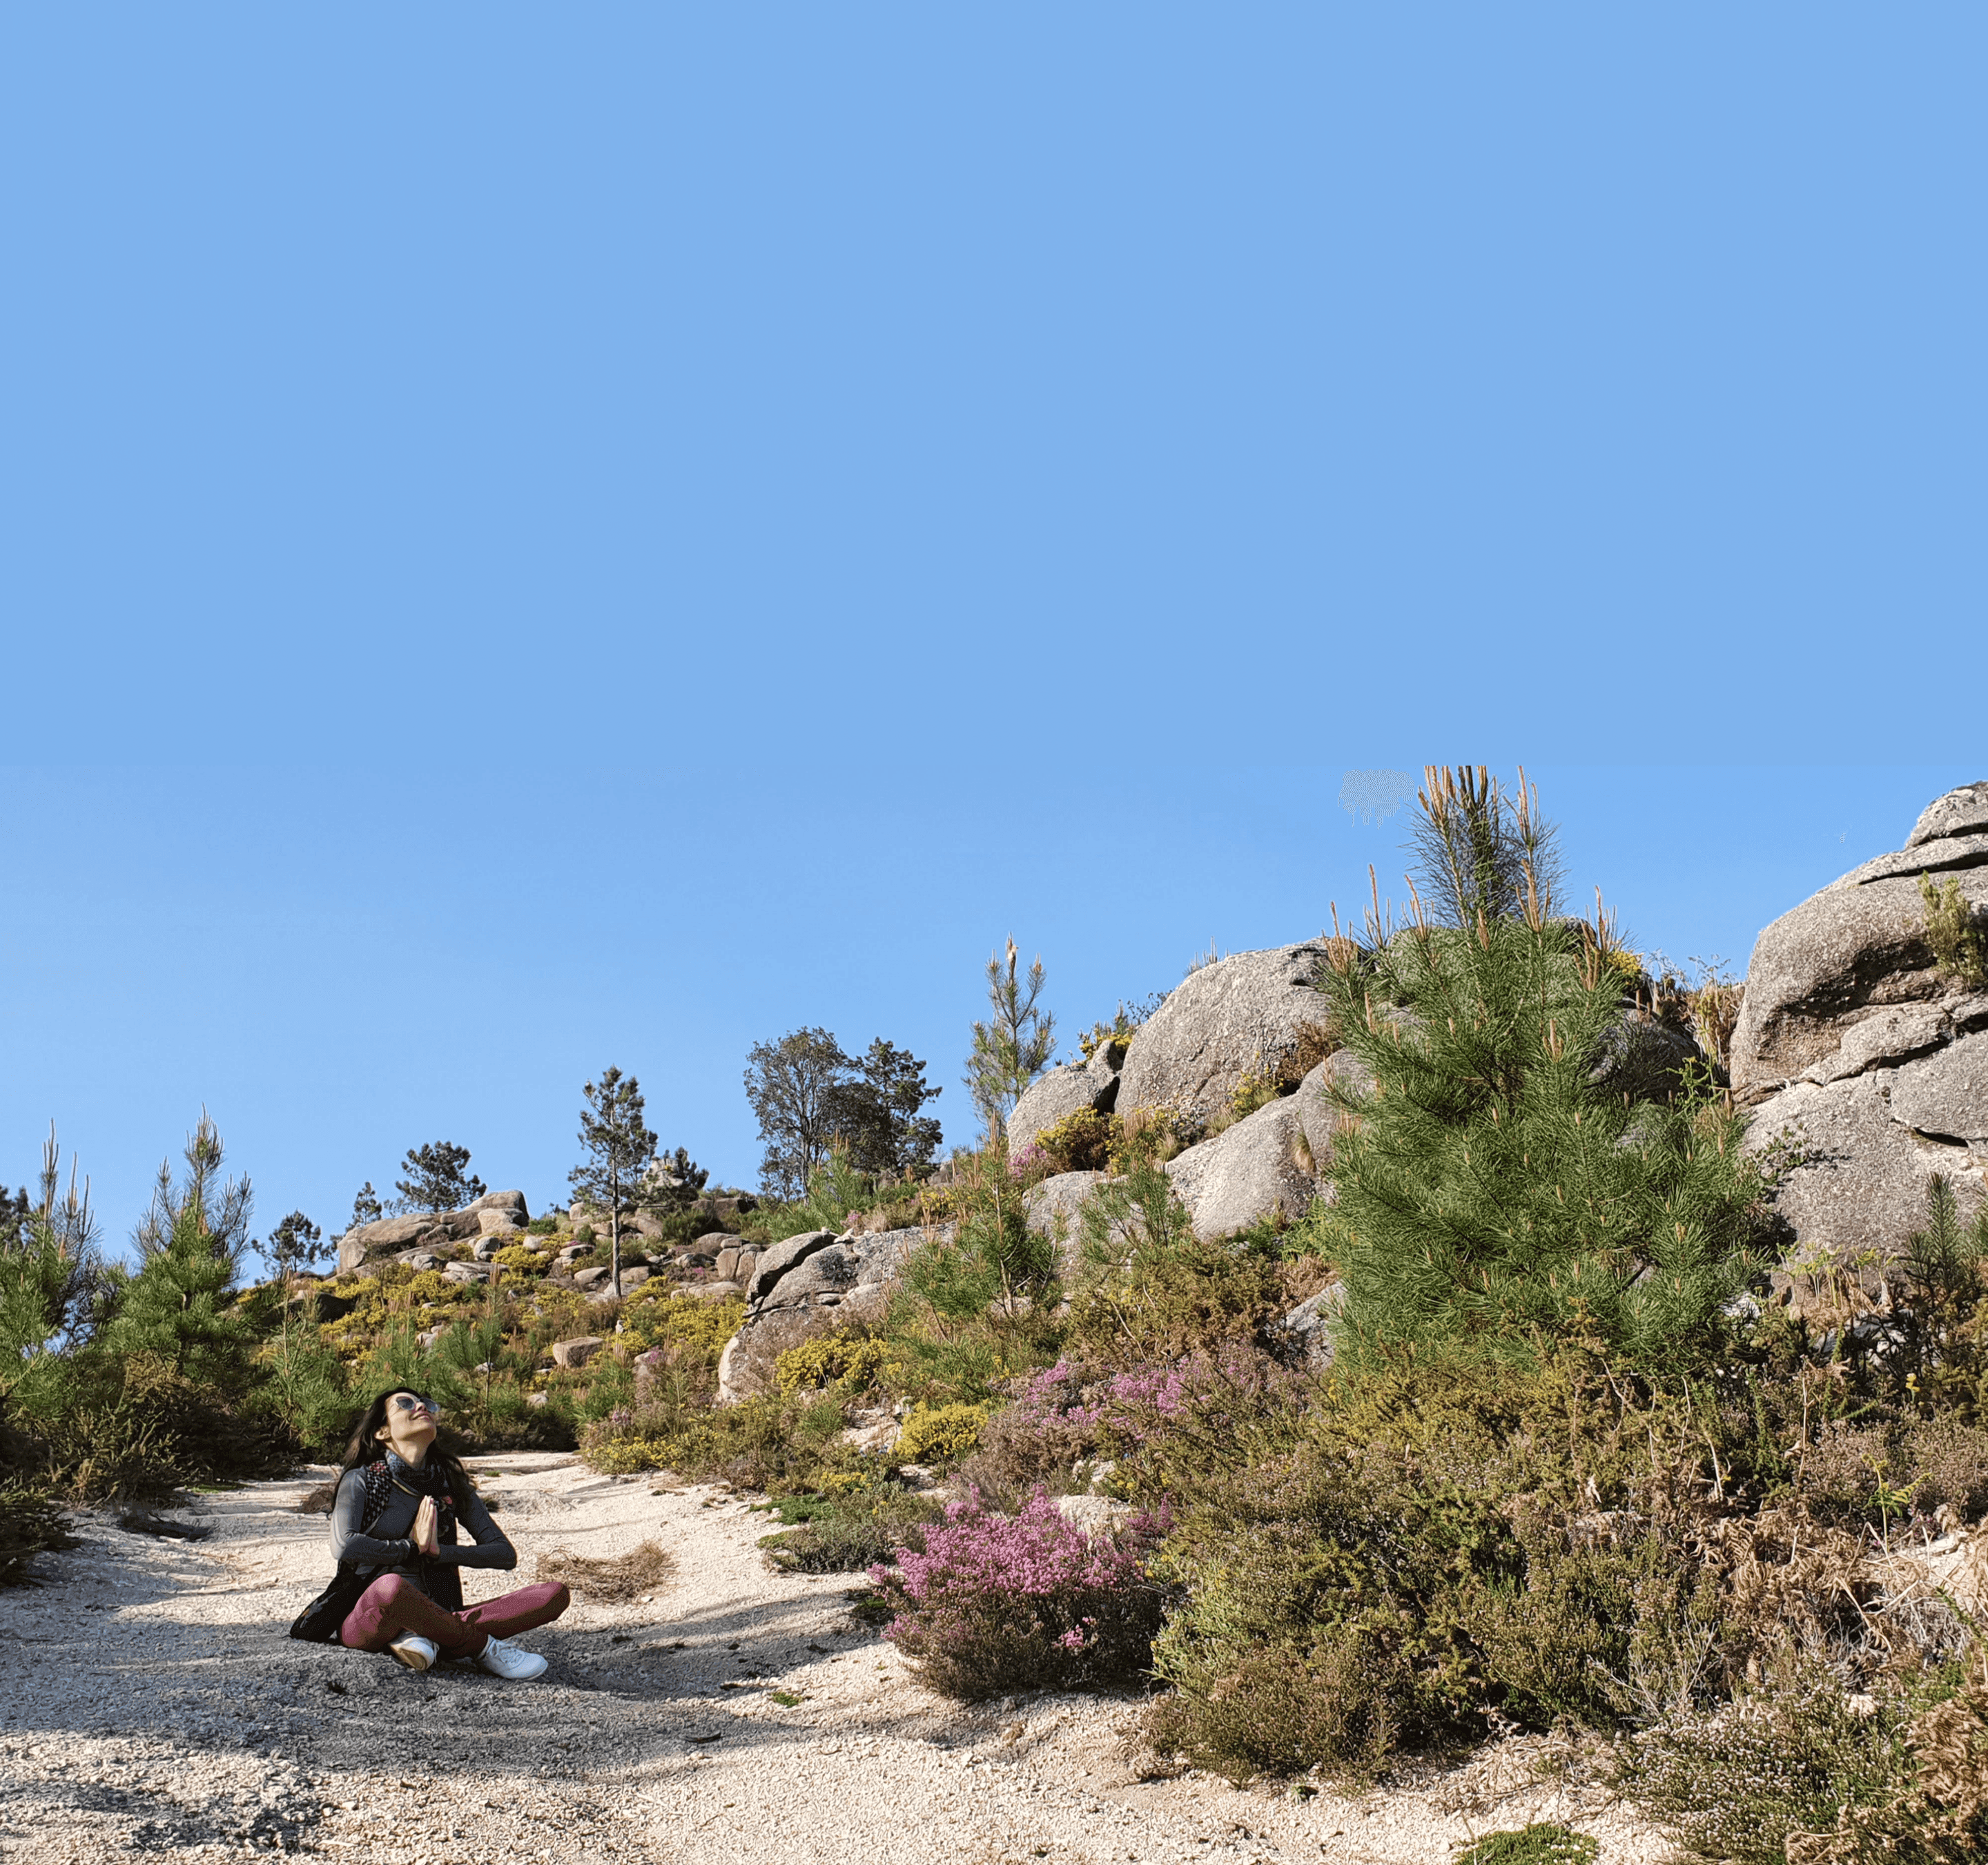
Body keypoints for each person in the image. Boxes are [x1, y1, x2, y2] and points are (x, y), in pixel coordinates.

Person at [291, 1387, 569, 1677]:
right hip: (370, 1612)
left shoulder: (451, 1485)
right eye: (405, 1404)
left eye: (426, 1404)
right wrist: (411, 1548)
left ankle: (427, 1636)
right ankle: (481, 1647)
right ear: (382, 1432)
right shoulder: (361, 1479)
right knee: (392, 1588)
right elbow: (344, 1546)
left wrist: (440, 1552)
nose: (421, 1407)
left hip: (439, 1608)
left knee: (552, 1595)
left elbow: (504, 1554)